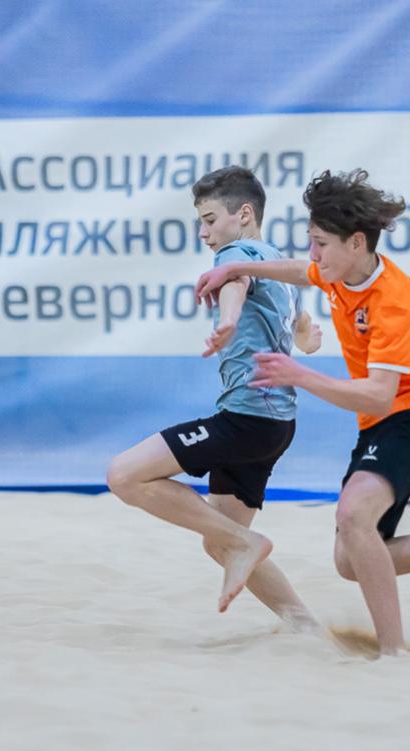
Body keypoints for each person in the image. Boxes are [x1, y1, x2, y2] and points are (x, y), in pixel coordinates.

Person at [196, 169, 410, 656]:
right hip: (381, 423)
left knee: (354, 516)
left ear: (356, 242)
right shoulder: (339, 271)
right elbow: (299, 271)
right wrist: (233, 269)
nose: (313, 254)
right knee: (350, 559)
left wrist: (300, 375)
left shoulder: (394, 299)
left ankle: (394, 651)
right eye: (311, 241)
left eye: (321, 243)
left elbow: (380, 395)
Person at [105, 165, 320, 627]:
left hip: (248, 419)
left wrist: (228, 319)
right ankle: (306, 627)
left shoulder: (237, 256)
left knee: (123, 475)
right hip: (276, 425)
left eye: (209, 219)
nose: (203, 233)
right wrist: (308, 338)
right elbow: (303, 331)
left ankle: (248, 544)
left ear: (244, 214)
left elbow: (233, 285)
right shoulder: (276, 263)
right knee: (220, 541)